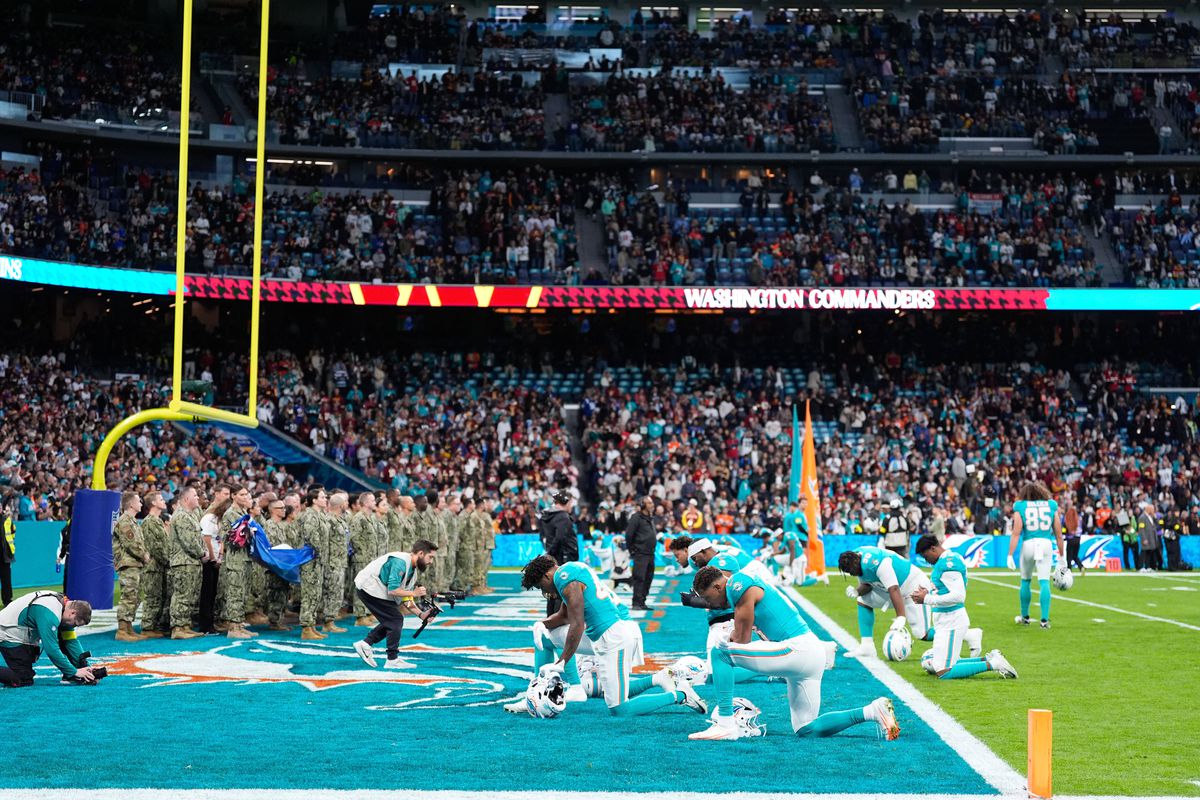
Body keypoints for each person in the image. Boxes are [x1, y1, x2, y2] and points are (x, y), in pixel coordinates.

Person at [688, 565, 899, 741]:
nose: (710, 605)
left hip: (797, 649)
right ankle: (872, 711)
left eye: (708, 598)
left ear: (717, 586)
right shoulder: (739, 584)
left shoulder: (736, 585)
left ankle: (725, 724)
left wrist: (728, 638)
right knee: (806, 729)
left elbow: (742, 640)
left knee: (720, 653)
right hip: (809, 653)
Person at [506, 554, 705, 717]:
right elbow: (564, 616)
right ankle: (537, 694)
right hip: (604, 634)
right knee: (545, 637)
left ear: (547, 576)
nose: (544, 592)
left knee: (620, 708)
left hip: (615, 636)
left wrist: (562, 661)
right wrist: (542, 624)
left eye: (541, 586)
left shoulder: (564, 578)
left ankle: (679, 695)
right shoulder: (569, 570)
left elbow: (577, 624)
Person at [911, 536, 1017, 680]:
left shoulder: (948, 563)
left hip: (951, 620)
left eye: (926, 556)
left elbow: (958, 596)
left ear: (933, 548)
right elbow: (946, 590)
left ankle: (993, 664)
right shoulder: (948, 559)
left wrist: (927, 598)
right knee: (941, 664)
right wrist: (928, 592)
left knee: (944, 671)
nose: (926, 560)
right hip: (946, 619)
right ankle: (987, 659)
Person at [837, 545, 968, 659]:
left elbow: (894, 588)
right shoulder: (853, 559)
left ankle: (966, 634)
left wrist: (900, 616)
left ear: (857, 562)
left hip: (913, 587)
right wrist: (857, 591)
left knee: (922, 634)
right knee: (863, 601)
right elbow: (867, 584)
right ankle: (867, 646)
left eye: (853, 571)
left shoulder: (877, 562)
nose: (854, 574)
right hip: (891, 590)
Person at [352, 539, 439, 669]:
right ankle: (391, 659)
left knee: (392, 620)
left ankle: (366, 644)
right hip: (368, 588)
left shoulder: (412, 570)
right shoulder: (400, 562)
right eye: (430, 557)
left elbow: (405, 597)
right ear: (421, 553)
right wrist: (414, 593)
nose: (431, 562)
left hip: (376, 590)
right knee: (395, 619)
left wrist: (420, 614)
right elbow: (393, 590)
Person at [0, 591, 96, 687]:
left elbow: (71, 641)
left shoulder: (63, 606)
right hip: (8, 634)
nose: (73, 627)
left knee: (63, 636)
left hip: (18, 632)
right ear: (72, 613)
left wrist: (86, 668)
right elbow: (51, 649)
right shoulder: (50, 612)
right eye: (75, 624)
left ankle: (70, 675)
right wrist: (74, 672)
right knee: (22, 679)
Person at [1006, 482, 1064, 628]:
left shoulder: (1020, 506)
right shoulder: (1051, 505)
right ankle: (1044, 620)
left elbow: (1016, 532)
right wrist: (1062, 557)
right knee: (1044, 581)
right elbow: (1058, 534)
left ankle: (1025, 617)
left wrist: (1010, 554)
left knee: (1025, 581)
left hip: (1029, 544)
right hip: (1045, 543)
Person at [215, 485, 256, 638]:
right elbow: (228, 538)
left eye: (247, 494)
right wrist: (247, 533)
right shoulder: (230, 514)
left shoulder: (243, 512)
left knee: (243, 592)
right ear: (233, 496)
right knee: (235, 593)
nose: (246, 497)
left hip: (244, 557)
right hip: (235, 559)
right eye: (242, 494)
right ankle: (233, 628)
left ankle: (239, 624)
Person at [167, 487, 205, 639]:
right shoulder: (182, 516)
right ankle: (178, 628)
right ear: (186, 499)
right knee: (182, 595)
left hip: (190, 561)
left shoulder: (190, 515)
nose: (198, 498)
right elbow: (189, 542)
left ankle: (184, 625)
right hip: (183, 562)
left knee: (189, 595)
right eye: (195, 495)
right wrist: (202, 553)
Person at [113, 491, 150, 642]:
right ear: (130, 504)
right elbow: (131, 544)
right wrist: (144, 555)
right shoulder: (125, 521)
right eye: (138, 501)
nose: (141, 503)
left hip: (134, 563)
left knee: (135, 596)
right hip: (128, 564)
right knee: (128, 596)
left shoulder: (132, 521)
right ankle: (122, 630)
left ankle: (128, 627)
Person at [298, 486, 330, 640]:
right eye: (323, 497)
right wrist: (321, 552)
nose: (325, 499)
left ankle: (311, 625)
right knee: (309, 593)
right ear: (314, 500)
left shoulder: (320, 515)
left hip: (319, 559)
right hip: (311, 559)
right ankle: (306, 627)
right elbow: (312, 537)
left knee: (315, 593)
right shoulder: (310, 515)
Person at [540, 491, 579, 613]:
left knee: (551, 590)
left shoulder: (546, 515)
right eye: (571, 502)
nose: (572, 505)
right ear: (566, 502)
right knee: (562, 591)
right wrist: (553, 553)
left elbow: (542, 537)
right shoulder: (562, 516)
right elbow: (560, 537)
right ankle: (558, 620)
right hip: (563, 558)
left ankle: (550, 618)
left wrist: (549, 553)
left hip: (553, 557)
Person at [139, 491, 170, 638]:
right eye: (161, 499)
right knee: (153, 597)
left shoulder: (157, 520)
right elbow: (156, 546)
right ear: (153, 503)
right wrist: (168, 560)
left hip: (160, 565)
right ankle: (148, 627)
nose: (164, 501)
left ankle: (155, 625)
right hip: (153, 566)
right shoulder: (150, 521)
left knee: (160, 596)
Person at [350, 492, 380, 626]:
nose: (375, 503)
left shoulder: (371, 518)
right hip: (362, 558)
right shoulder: (358, 518)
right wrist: (365, 553)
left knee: (369, 587)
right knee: (361, 586)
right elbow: (355, 539)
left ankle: (367, 612)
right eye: (372, 500)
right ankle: (360, 616)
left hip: (371, 558)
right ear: (366, 503)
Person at [323, 492, 351, 632]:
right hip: (332, 562)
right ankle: (328, 621)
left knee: (337, 592)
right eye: (345, 503)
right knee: (332, 592)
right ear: (340, 505)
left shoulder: (340, 520)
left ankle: (331, 620)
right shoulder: (330, 521)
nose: (348, 505)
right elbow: (325, 542)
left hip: (340, 561)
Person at [625, 496, 658, 610]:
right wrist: (632, 550)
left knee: (648, 578)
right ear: (642, 505)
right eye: (649, 503)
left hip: (650, 554)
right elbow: (629, 535)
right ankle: (636, 603)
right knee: (639, 578)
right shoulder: (636, 517)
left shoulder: (650, 518)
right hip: (641, 553)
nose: (652, 505)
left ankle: (642, 602)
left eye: (652, 502)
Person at [1137, 502, 1161, 572]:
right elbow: (1141, 529)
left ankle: (1148, 567)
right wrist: (1144, 538)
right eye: (1153, 509)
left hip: (1152, 538)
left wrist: (1155, 517)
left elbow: (1157, 525)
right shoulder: (1142, 517)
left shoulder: (1151, 517)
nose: (1154, 511)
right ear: (1148, 509)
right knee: (1143, 552)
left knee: (1149, 553)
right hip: (1146, 538)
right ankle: (1140, 567)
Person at [1, 497, 14, 606]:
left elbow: (13, 530)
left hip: (5, 555)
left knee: (6, 580)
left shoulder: (7, 520)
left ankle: (7, 601)